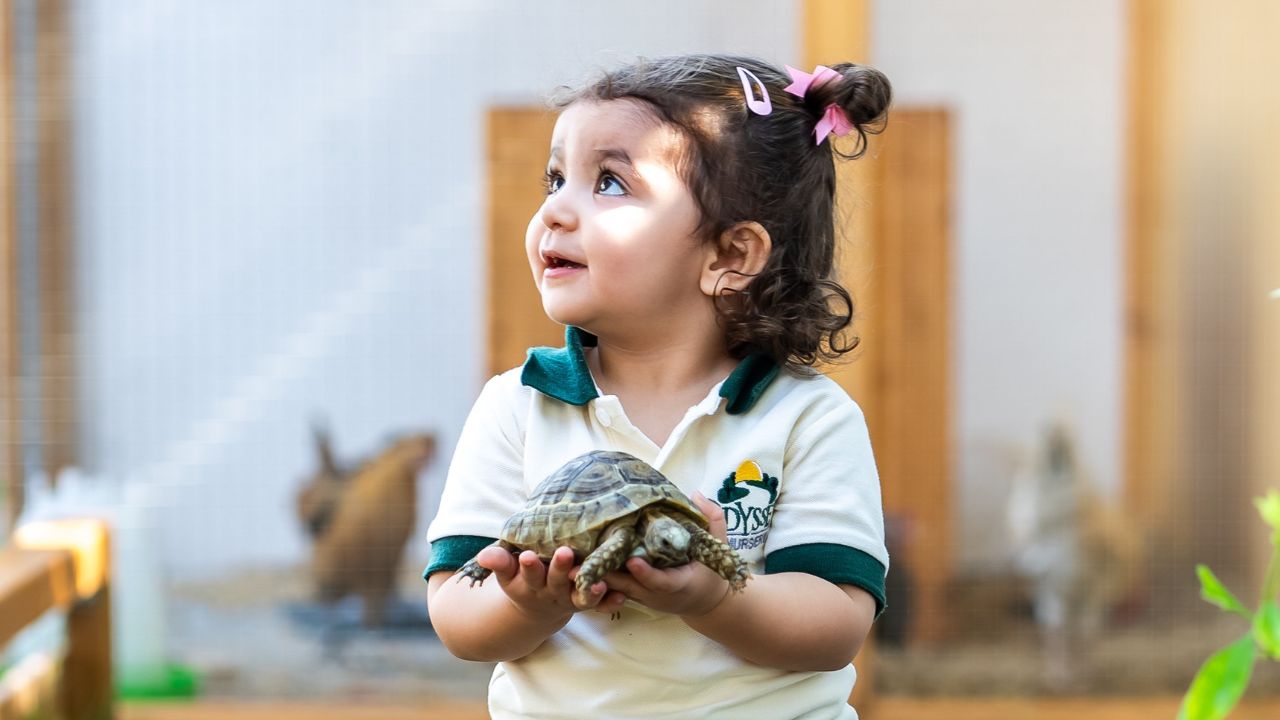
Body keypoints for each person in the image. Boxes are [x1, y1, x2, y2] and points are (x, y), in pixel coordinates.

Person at [425, 53, 891, 720]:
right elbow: (456, 611)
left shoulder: (806, 417)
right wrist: (528, 603)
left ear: (730, 256)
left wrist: (715, 597)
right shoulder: (520, 405)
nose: (555, 209)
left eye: (609, 182)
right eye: (555, 178)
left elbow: (837, 622)